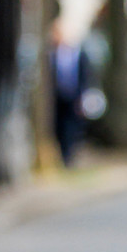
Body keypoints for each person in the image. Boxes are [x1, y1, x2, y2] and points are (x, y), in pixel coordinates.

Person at [49, 22, 93, 166]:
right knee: (60, 127)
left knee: (72, 126)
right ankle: (64, 156)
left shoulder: (78, 53)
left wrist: (82, 96)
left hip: (73, 95)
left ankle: (70, 157)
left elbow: (85, 75)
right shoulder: (52, 55)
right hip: (58, 97)